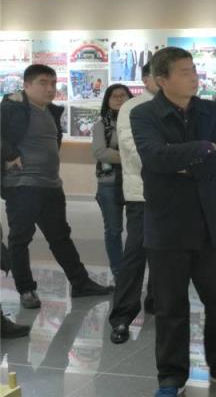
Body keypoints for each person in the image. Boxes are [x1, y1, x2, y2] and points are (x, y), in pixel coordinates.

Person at [130, 47, 216, 397]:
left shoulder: (212, 111)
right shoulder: (144, 114)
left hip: (213, 220)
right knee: (170, 306)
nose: (194, 77)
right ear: (162, 80)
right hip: (167, 224)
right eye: (184, 72)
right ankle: (171, 376)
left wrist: (184, 163)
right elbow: (155, 157)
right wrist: (202, 148)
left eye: (194, 70)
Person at [1, 64, 114, 311]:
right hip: (22, 185)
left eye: (53, 83)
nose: (50, 88)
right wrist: (9, 153)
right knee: (20, 238)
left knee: (60, 236)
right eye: (42, 83)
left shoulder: (51, 111)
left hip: (51, 185)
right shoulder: (12, 108)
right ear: (26, 85)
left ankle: (80, 283)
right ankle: (26, 289)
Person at [108, 63, 158, 345]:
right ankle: (123, 316)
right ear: (146, 79)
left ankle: (157, 300)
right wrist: (174, 164)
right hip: (143, 193)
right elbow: (135, 148)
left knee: (166, 251)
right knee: (136, 254)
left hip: (176, 193)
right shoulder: (133, 107)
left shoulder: (181, 106)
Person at [92, 83, 134, 279]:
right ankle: (119, 271)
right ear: (107, 101)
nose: (118, 99)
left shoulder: (138, 121)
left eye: (122, 95)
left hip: (135, 181)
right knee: (113, 229)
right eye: (114, 96)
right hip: (109, 182)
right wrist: (130, 157)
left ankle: (133, 268)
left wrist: (119, 155)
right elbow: (100, 152)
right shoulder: (101, 125)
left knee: (138, 230)